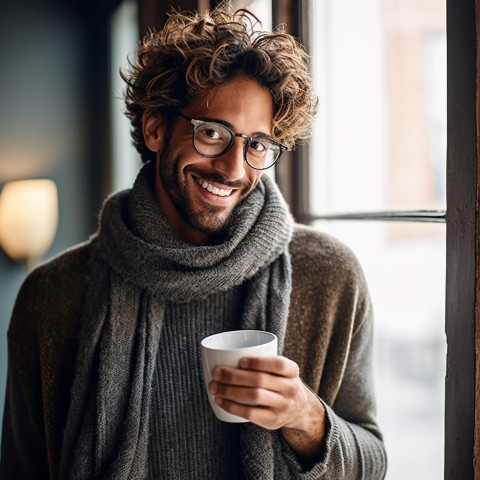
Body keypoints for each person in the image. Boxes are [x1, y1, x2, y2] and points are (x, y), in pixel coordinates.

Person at [0, 4, 387, 479]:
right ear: (155, 128)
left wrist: (306, 418)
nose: (234, 168)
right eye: (211, 133)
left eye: (257, 145)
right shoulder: (52, 295)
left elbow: (373, 463)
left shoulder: (329, 275)